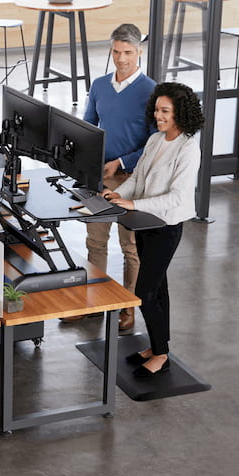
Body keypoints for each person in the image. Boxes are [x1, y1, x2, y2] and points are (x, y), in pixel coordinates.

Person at [104, 82, 204, 378]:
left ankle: (161, 354)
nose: (158, 116)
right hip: (145, 222)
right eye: (157, 110)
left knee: (146, 292)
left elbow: (176, 198)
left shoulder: (188, 149)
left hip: (165, 226)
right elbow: (139, 178)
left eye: (165, 111)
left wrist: (132, 203)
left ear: (180, 114)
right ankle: (159, 346)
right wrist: (117, 194)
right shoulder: (156, 140)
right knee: (159, 289)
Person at [80, 23, 156, 331]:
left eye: (128, 52)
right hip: (101, 178)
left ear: (140, 52)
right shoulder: (99, 85)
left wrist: (121, 161)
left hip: (133, 181)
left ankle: (128, 307)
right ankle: (94, 302)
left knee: (131, 248)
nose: (121, 59)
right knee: (95, 242)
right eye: (116, 52)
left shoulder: (151, 91)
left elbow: (155, 146)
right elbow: (88, 125)